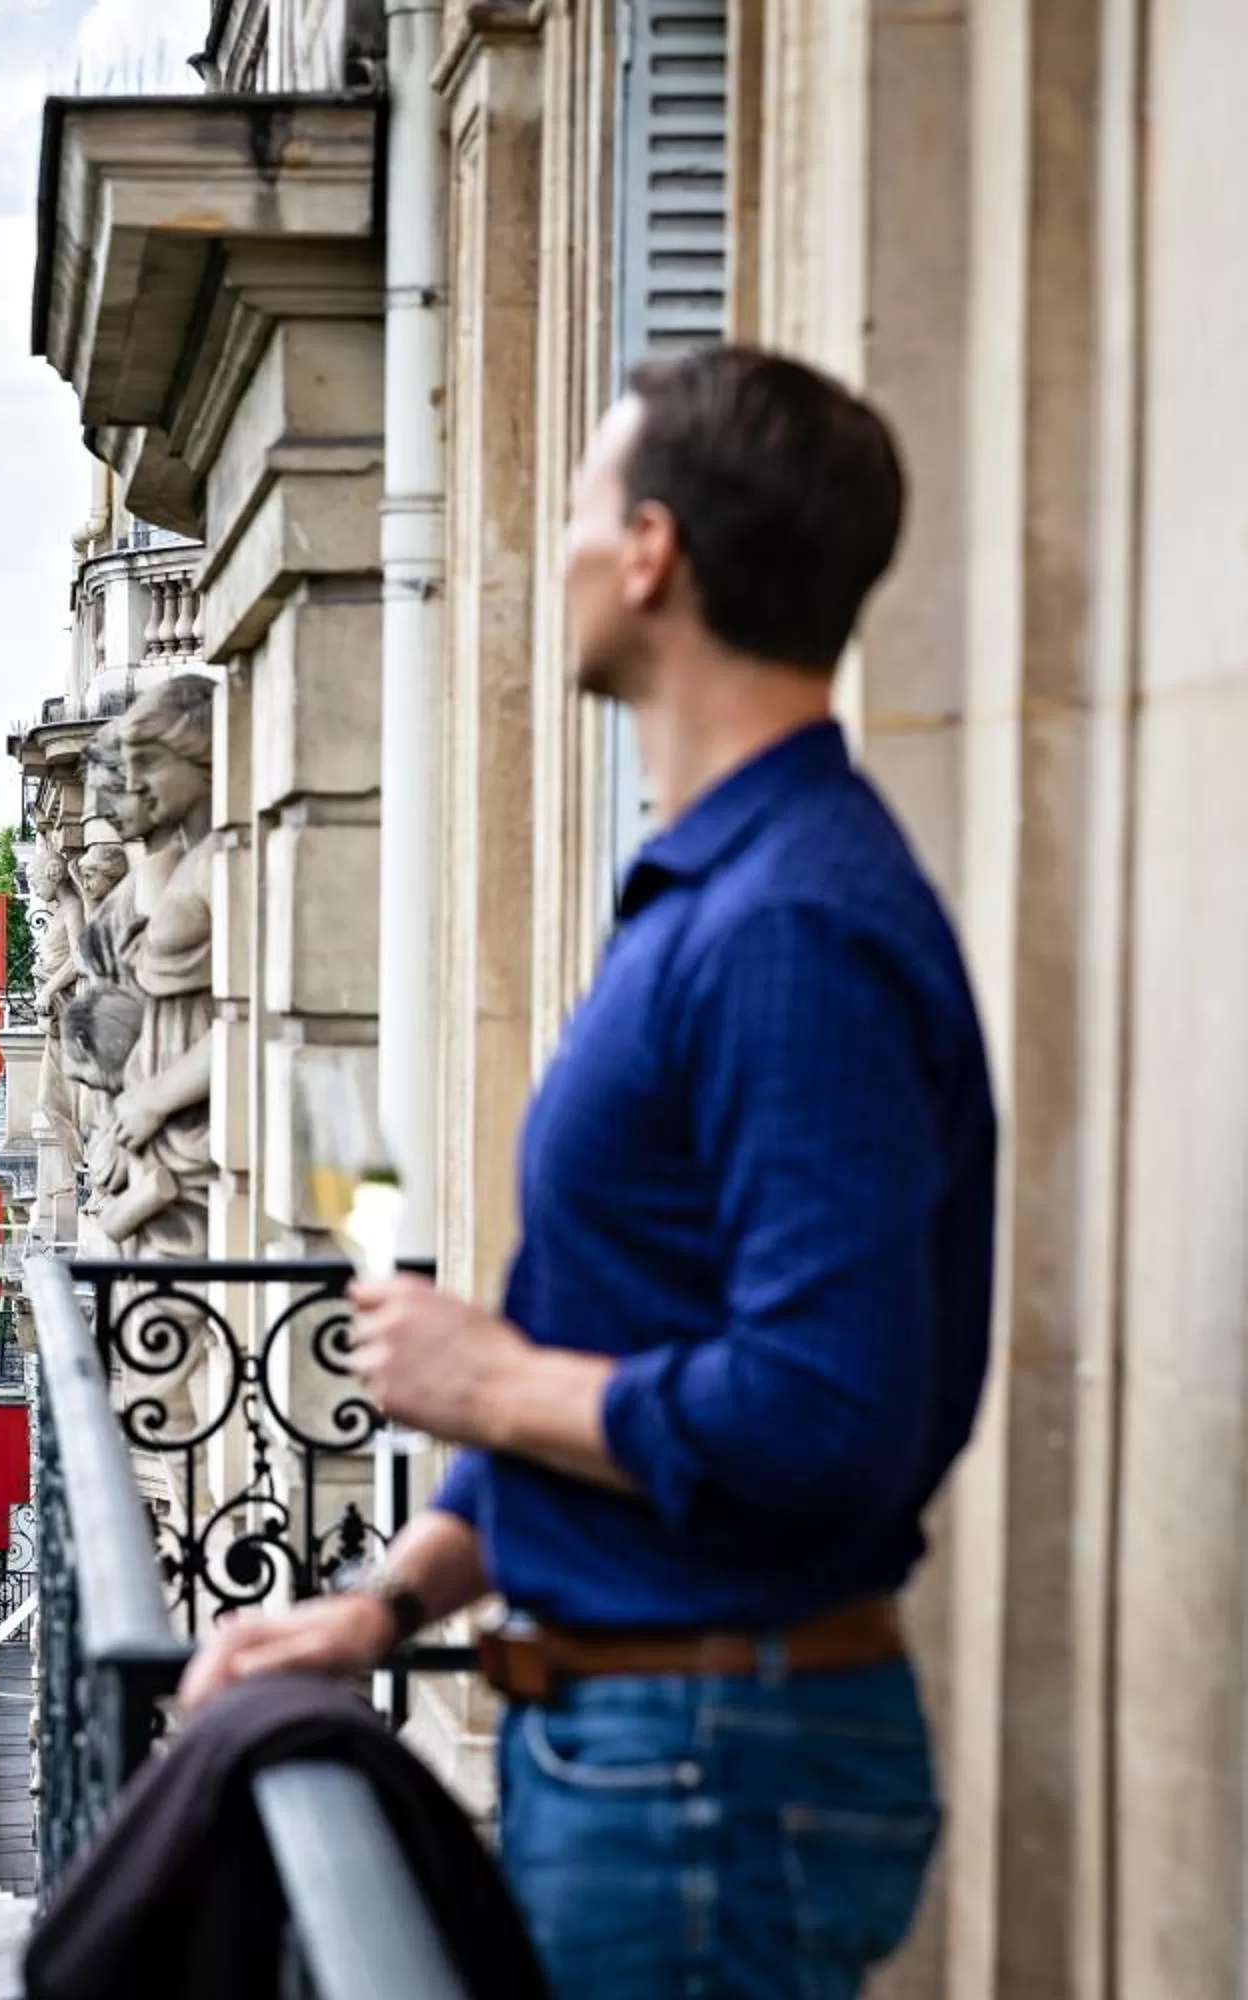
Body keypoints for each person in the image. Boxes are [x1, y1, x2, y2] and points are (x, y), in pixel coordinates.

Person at [179, 347, 996, 2000]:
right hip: (662, 1744)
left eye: (574, 508)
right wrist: (384, 1603)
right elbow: (620, 1347)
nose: (548, 549)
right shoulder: (727, 895)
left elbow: (825, 1412)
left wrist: (492, 1378)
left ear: (652, 556)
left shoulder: (787, 929)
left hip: (703, 1766)